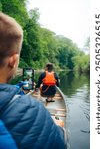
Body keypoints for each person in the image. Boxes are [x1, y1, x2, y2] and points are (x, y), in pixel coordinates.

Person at [0, 12, 66, 149]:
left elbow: (41, 82)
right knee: (60, 129)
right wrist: (58, 129)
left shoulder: (42, 76)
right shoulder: (34, 110)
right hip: (52, 92)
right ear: (14, 60)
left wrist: (27, 87)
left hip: (44, 91)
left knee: (40, 89)